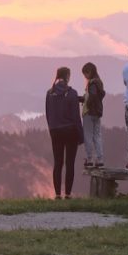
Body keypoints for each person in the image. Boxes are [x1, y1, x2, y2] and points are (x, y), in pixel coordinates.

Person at [45, 67, 84, 199]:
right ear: (67, 76)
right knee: (70, 163)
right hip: (70, 131)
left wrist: (51, 129)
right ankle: (67, 194)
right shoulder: (72, 93)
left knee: (58, 163)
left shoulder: (49, 93)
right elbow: (76, 117)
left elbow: (48, 115)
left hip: (55, 131)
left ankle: (57, 194)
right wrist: (81, 135)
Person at [79, 62, 106, 169]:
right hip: (97, 113)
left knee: (88, 136)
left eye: (85, 74)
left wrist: (87, 104)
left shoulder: (92, 83)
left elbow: (92, 97)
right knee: (97, 136)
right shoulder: (99, 83)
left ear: (89, 72)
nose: (85, 76)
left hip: (89, 113)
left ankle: (89, 158)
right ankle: (100, 159)